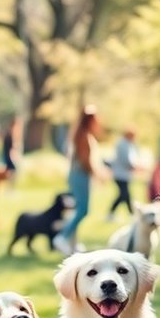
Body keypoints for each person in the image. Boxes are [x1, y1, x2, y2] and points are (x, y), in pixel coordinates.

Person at [53, 105, 102, 256]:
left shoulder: (80, 134)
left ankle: (72, 243)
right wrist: (98, 175)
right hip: (80, 175)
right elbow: (85, 160)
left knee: (78, 210)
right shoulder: (83, 136)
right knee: (82, 210)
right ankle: (62, 237)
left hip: (77, 175)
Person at [107, 128, 140, 221]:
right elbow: (126, 160)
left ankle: (131, 214)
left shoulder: (128, 144)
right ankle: (112, 212)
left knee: (126, 195)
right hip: (120, 174)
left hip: (124, 174)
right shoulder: (123, 145)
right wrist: (134, 167)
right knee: (123, 194)